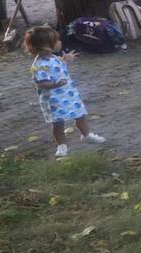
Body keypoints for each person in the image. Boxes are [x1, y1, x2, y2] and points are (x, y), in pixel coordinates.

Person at [25, 25, 106, 159]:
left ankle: (86, 134)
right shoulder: (39, 65)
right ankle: (61, 145)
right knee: (58, 123)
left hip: (69, 94)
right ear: (46, 45)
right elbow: (41, 83)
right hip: (53, 99)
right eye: (57, 40)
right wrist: (54, 85)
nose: (60, 42)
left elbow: (57, 68)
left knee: (80, 115)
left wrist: (65, 60)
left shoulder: (53, 57)